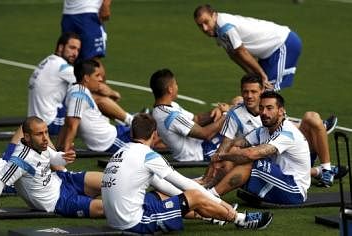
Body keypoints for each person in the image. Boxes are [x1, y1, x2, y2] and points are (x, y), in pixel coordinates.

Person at [101, 113, 273, 234]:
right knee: (194, 196)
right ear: (154, 135)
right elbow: (187, 186)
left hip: (115, 220)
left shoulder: (121, 151)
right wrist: (222, 204)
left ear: (132, 133)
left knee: (166, 195)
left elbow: (163, 185)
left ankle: (212, 216)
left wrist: (204, 204)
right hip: (134, 224)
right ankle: (240, 219)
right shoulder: (148, 155)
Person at [200, 74, 342, 189]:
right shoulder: (236, 113)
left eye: (253, 92)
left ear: (262, 91)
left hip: (285, 153)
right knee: (245, 155)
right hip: (268, 158)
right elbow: (227, 144)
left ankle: (326, 170)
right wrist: (212, 170)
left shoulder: (272, 108)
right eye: (245, 92)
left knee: (311, 117)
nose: (249, 96)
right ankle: (316, 171)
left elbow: (288, 131)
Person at [0, 116, 104, 225]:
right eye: (40, 134)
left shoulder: (40, 145)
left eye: (46, 132)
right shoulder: (20, 159)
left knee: (110, 180)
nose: (45, 138)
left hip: (64, 179)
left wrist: (65, 157)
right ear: (27, 137)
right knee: (108, 207)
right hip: (59, 201)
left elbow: (55, 158)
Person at [208, 91, 311, 205]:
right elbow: (236, 144)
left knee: (251, 159)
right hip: (277, 178)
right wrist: (224, 156)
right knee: (238, 154)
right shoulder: (263, 130)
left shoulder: (287, 133)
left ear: (281, 111)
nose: (264, 113)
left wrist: (222, 156)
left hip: (294, 190)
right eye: (261, 108)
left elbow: (251, 154)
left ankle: (211, 196)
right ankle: (210, 185)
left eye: (269, 108)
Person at [28, 32, 133, 136]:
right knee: (92, 96)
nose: (75, 53)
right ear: (60, 48)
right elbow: (98, 87)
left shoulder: (48, 61)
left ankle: (119, 120)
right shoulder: (62, 67)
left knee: (80, 94)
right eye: (72, 48)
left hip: (37, 118)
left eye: (78, 50)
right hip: (49, 122)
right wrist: (113, 93)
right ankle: (131, 121)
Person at [194, 4, 302, 91]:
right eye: (200, 25)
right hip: (268, 53)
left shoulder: (224, 26)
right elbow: (233, 55)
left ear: (214, 16)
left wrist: (262, 75)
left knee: (268, 90)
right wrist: (252, 74)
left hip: (283, 43)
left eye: (206, 22)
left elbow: (241, 51)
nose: (204, 28)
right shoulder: (216, 31)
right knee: (258, 88)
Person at [57, 59, 133, 154]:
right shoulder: (79, 95)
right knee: (149, 139)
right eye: (97, 75)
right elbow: (72, 125)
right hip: (113, 140)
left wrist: (59, 147)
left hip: (114, 135)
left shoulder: (76, 90)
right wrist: (65, 152)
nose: (100, 79)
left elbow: (68, 123)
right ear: (86, 78)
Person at [150, 68, 227, 162]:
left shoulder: (168, 107)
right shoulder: (169, 116)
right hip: (199, 152)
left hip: (200, 145)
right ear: (170, 89)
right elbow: (205, 134)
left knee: (237, 103)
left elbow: (196, 119)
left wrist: (217, 111)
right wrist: (227, 115)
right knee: (236, 134)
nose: (177, 87)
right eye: (175, 84)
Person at [61, 0, 121, 102]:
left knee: (92, 62)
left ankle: (106, 105)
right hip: (68, 13)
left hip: (89, 12)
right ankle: (79, 105)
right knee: (70, 59)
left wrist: (106, 4)